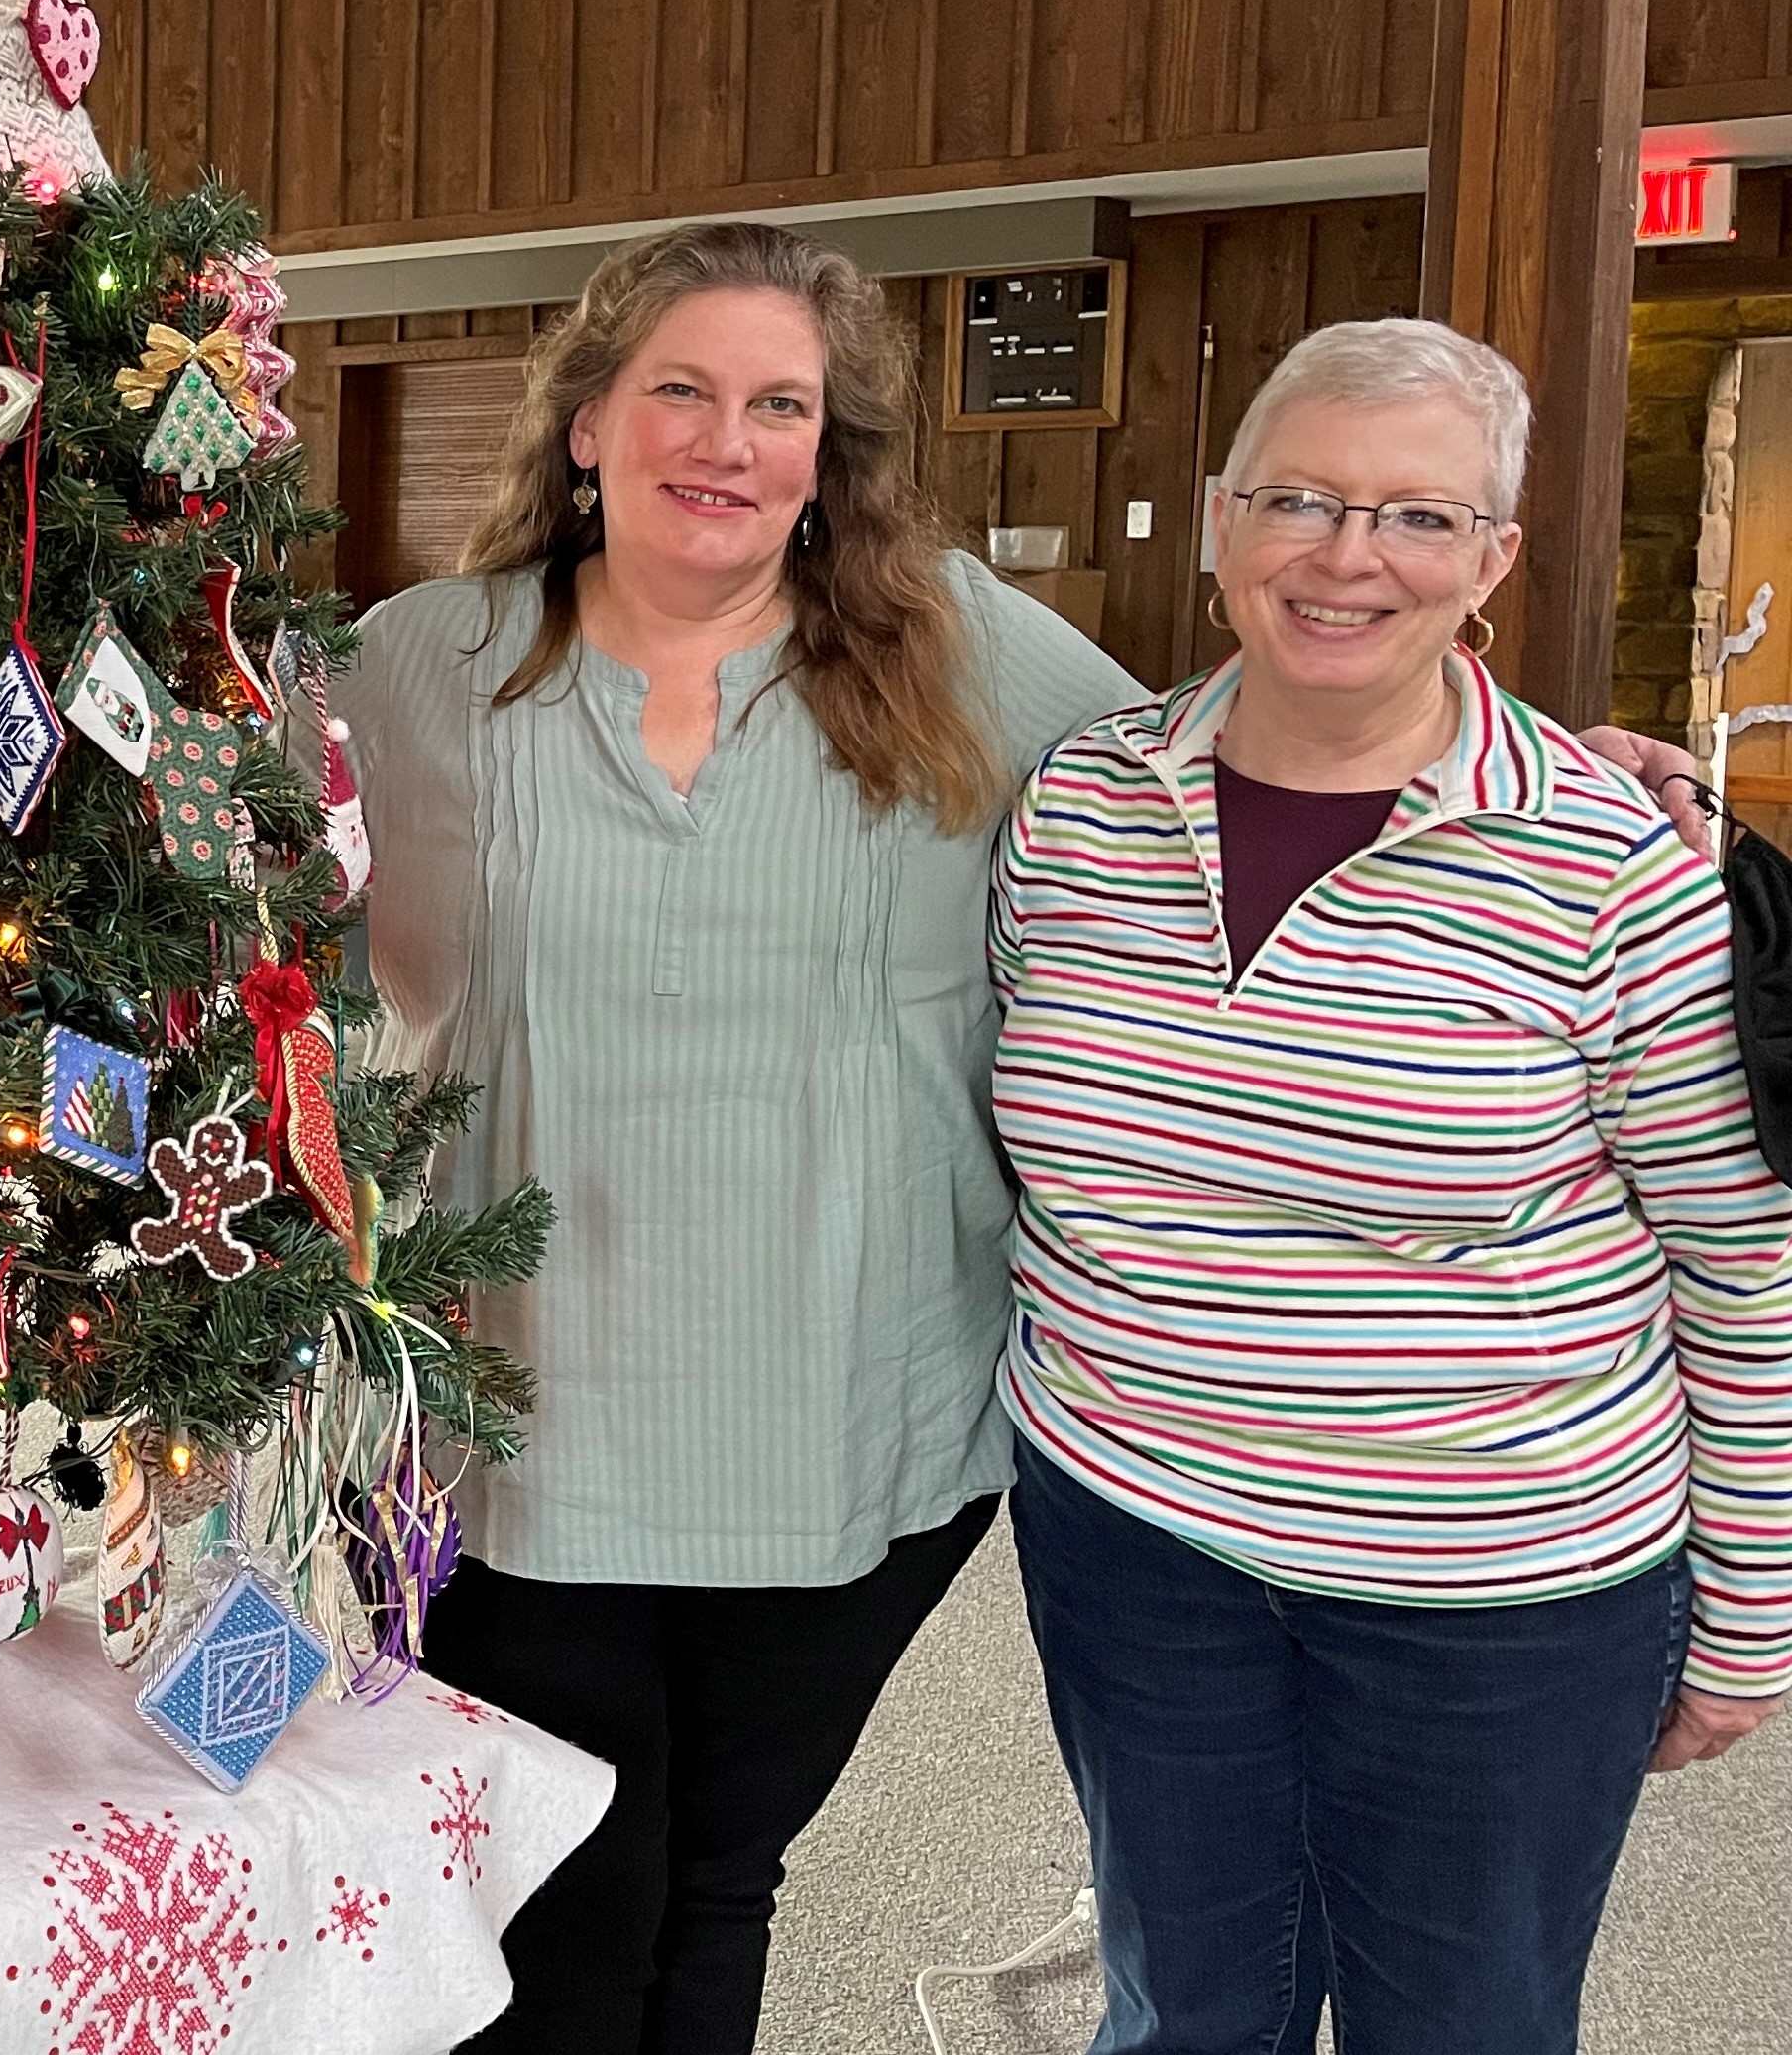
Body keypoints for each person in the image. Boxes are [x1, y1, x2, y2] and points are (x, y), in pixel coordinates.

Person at [336, 220, 1148, 2051]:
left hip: (854, 1404)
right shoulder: (422, 662)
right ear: (587, 425)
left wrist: (1568, 766)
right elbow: (223, 859)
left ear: (826, 449)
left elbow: (1224, 773)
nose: (728, 441)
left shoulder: (957, 645)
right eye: (681, 390)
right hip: (513, 1407)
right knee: (560, 1884)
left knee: (725, 1869)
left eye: (780, 404)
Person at [988, 317, 1790, 2055]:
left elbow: (1742, 1260)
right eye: (1300, 498)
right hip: (1136, 1535)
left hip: (1500, 1581)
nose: (1348, 554)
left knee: (1465, 2023)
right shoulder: (1079, 801)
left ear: (1492, 560)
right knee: (1185, 2012)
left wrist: (1748, 1611)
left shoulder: (1613, 861)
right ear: (1221, 522)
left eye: (1420, 515)